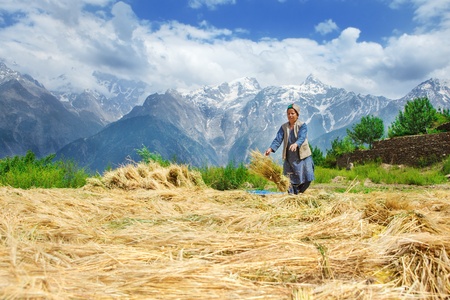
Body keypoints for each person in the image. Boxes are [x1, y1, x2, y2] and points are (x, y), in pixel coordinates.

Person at [265, 103, 315, 194]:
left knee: (307, 177)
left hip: (302, 157)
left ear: (297, 114)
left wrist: (296, 144)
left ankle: (299, 192)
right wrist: (271, 149)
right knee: (289, 179)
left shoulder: (302, 125)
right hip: (290, 157)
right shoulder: (284, 127)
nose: (290, 115)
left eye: (292, 113)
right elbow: (278, 139)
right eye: (288, 114)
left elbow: (302, 137)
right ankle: (292, 196)